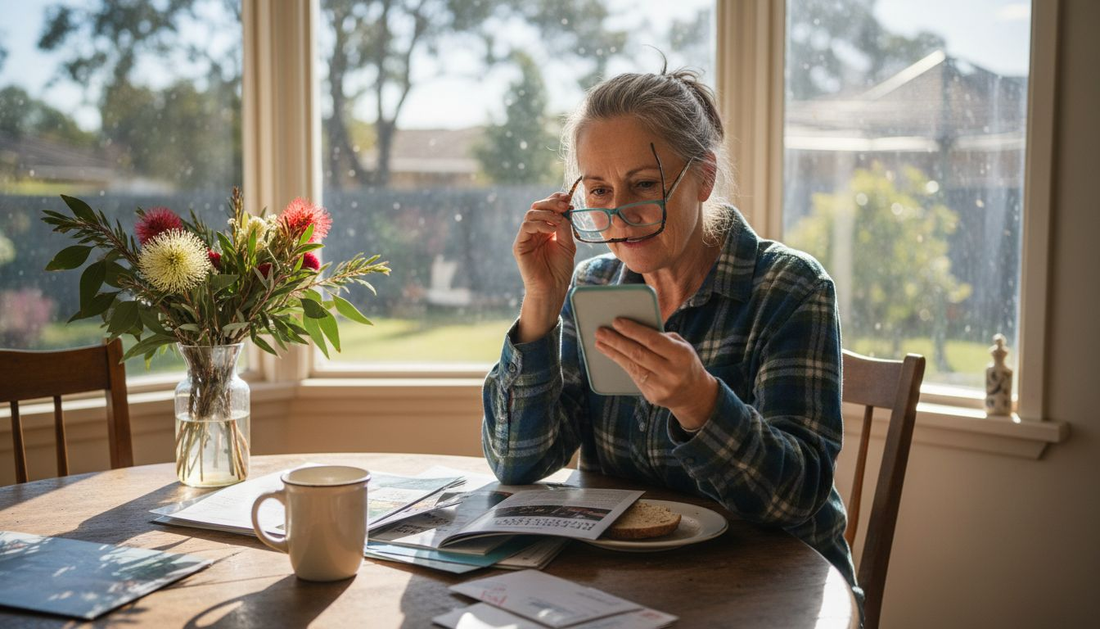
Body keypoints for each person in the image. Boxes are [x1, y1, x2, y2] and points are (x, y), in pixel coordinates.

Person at [481, 66, 860, 611]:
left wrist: (700, 403)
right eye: (599, 190)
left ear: (703, 178)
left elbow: (794, 500)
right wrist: (541, 300)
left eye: (645, 185)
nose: (619, 214)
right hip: (624, 588)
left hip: (775, 593)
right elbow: (517, 463)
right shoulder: (592, 287)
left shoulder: (789, 288)